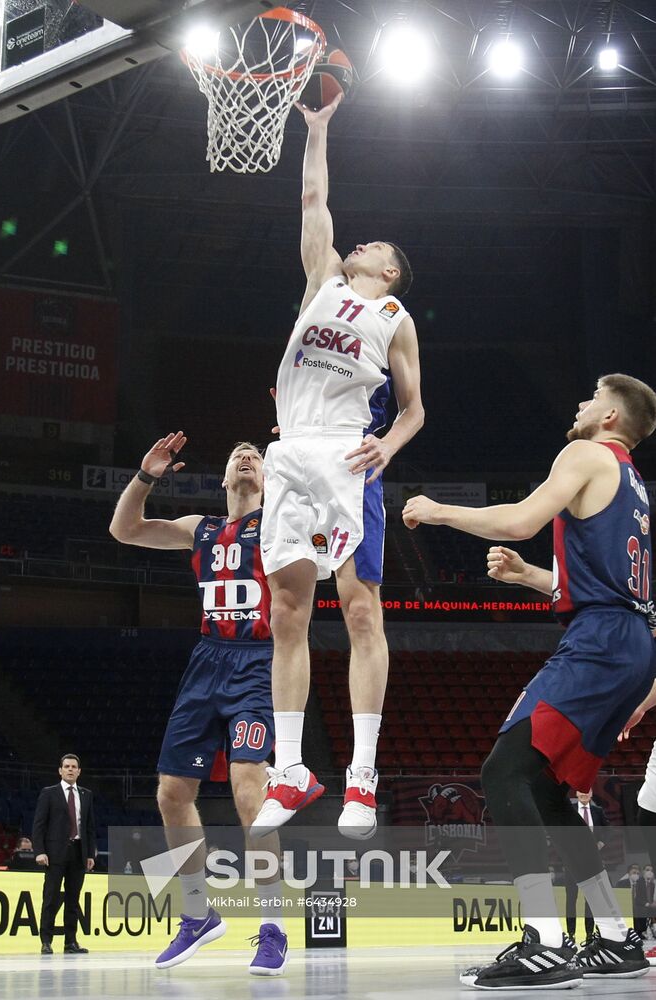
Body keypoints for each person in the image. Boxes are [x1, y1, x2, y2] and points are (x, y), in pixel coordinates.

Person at [403, 373, 656, 988]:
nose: (580, 403)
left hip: (597, 644)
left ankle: (543, 940)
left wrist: (438, 512)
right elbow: (611, 588)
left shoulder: (585, 453)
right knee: (546, 792)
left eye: (592, 397)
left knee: (503, 771)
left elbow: (519, 520)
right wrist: (528, 578)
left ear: (611, 420)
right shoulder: (634, 485)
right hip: (631, 645)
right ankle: (618, 938)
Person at [252, 94, 424, 841]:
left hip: (349, 453)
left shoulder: (395, 320)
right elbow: (314, 198)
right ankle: (291, 769)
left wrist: (388, 446)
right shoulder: (321, 277)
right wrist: (316, 130)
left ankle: (361, 778)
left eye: (374, 247)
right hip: (292, 448)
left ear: (390, 272)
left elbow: (416, 410)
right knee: (287, 612)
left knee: (358, 610)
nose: (359, 245)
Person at [109, 433, 288, 976]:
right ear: (223, 479)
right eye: (237, 453)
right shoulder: (200, 528)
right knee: (170, 794)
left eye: (256, 453)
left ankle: (273, 927)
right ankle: (197, 915)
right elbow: (124, 530)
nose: (247, 454)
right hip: (206, 661)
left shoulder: (281, 523)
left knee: (249, 792)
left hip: (258, 662)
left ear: (267, 475)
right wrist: (146, 475)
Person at [32, 754, 96, 955]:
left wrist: (90, 854)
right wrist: (40, 851)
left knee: (73, 900)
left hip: (78, 852)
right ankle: (46, 941)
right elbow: (39, 825)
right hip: (54, 853)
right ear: (60, 770)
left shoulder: (86, 794)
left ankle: (70, 942)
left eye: (73, 766)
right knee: (50, 898)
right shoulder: (48, 793)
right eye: (66, 766)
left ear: (79, 771)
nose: (70, 769)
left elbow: (89, 827)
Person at [564, 789, 607, 944]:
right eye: (580, 791)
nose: (583, 794)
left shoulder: (598, 811)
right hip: (572, 862)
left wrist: (601, 843)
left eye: (586, 791)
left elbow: (608, 830)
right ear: (576, 793)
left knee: (590, 900)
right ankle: (571, 934)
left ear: (591, 794)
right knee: (571, 899)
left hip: (591, 862)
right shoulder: (569, 811)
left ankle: (589, 934)